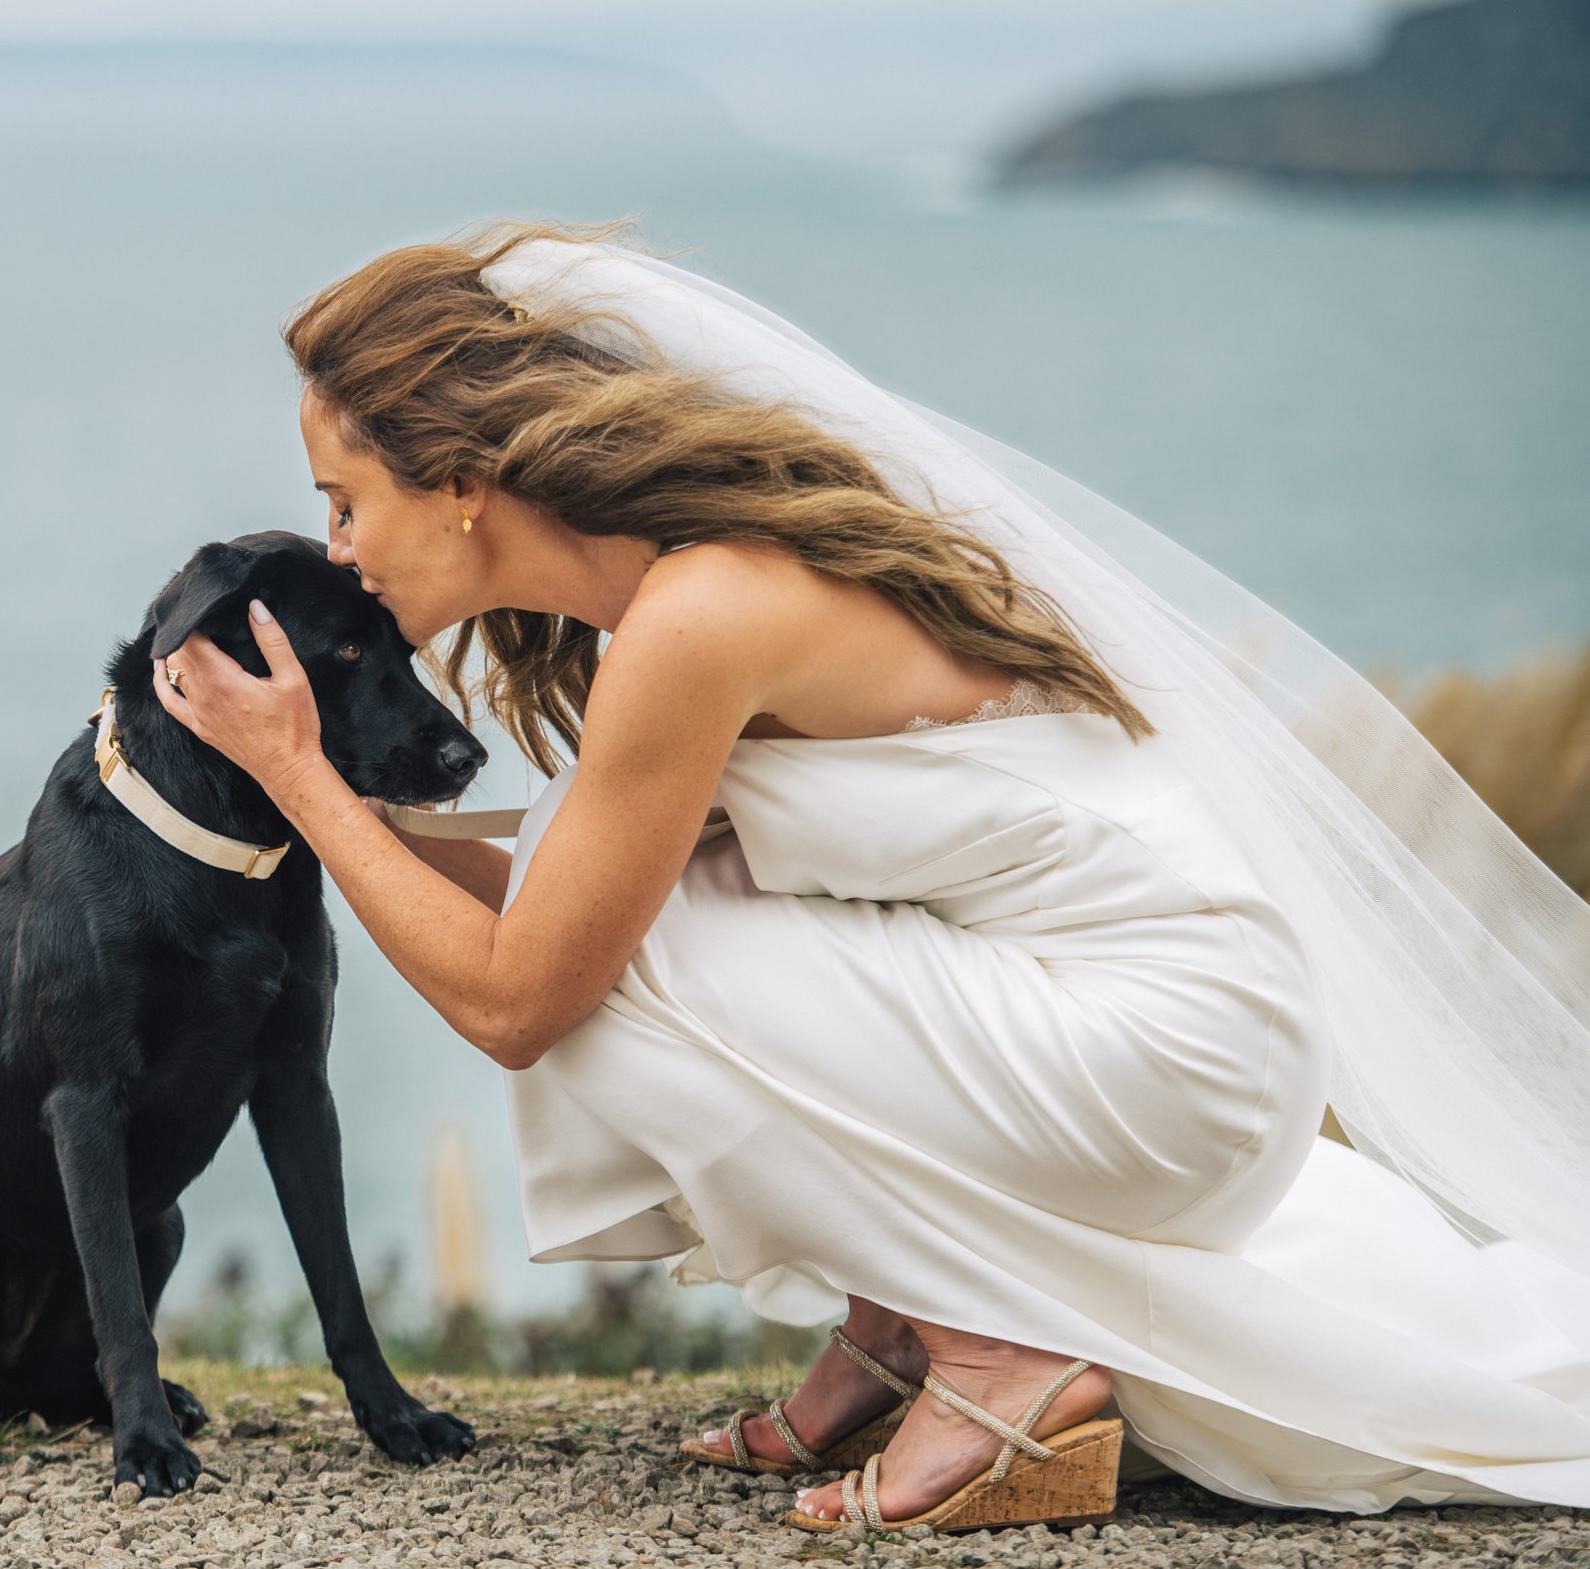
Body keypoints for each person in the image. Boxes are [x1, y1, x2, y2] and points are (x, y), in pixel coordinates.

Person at [150, 220, 1590, 1534]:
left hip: (1177, 1047)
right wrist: (269, 802)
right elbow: (562, 881)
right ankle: (900, 1323)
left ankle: (998, 1359)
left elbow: (519, 997)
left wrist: (297, 773)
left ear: (462, 485)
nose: (338, 549)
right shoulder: (672, 587)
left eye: (345, 502)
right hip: (1174, 1022)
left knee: (608, 966)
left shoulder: (702, 611)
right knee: (619, 915)